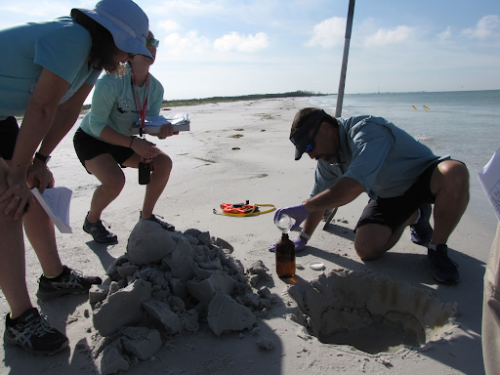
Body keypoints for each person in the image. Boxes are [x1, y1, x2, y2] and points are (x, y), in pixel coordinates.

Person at [0, 0, 153, 355]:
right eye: (128, 49)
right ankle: (20, 320)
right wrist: (18, 174)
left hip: (2, 112)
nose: (129, 58)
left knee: (34, 191)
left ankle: (53, 278)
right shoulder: (73, 40)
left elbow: (67, 108)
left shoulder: (95, 58)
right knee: (8, 200)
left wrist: (39, 160)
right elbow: (40, 107)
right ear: (110, 35)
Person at [273, 108, 469, 284]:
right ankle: (415, 215)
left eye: (309, 146)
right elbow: (319, 198)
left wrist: (305, 207)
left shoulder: (367, 131)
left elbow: (353, 185)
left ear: (325, 128)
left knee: (454, 173)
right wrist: (304, 237)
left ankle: (437, 248)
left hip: (423, 176)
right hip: (389, 195)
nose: (311, 155)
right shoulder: (328, 159)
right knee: (366, 249)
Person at [74, 30, 177, 244]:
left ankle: (146, 218)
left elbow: (146, 124)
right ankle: (92, 221)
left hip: (126, 138)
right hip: (93, 138)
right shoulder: (111, 81)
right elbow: (97, 124)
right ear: (129, 52)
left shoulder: (155, 87)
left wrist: (163, 130)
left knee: (163, 163)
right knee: (115, 181)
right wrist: (133, 143)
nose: (151, 47)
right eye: (144, 42)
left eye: (154, 42)